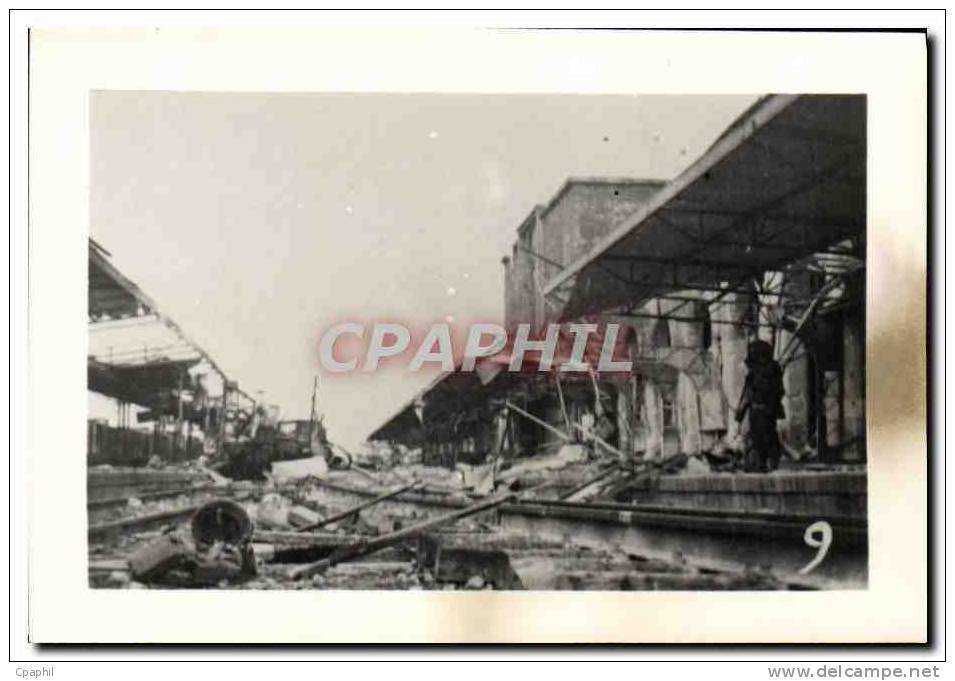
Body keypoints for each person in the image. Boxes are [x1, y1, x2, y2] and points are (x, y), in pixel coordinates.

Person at [735, 339, 785, 472]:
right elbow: (780, 391)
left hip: (759, 410)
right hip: (767, 410)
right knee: (767, 437)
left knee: (760, 438)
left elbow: (747, 394)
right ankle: (768, 462)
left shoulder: (757, 372)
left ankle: (763, 463)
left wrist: (739, 414)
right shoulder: (773, 369)